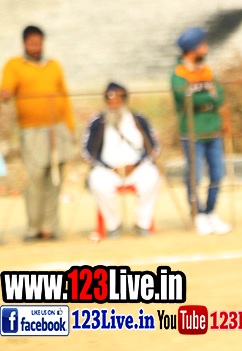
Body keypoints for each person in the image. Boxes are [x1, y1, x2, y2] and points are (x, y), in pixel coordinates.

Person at [1, 25, 75, 241]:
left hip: (57, 128)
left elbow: (64, 97)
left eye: (38, 43)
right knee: (35, 179)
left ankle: (50, 227)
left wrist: (70, 127)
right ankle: (33, 228)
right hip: (31, 130)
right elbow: (6, 89)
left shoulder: (54, 66)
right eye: (31, 43)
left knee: (55, 179)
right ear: (24, 43)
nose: (35, 47)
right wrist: (5, 93)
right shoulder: (15, 65)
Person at [171, 27, 230, 235]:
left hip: (213, 131)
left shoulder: (207, 71)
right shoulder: (179, 74)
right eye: (203, 45)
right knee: (195, 176)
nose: (206, 49)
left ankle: (211, 212)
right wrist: (208, 97)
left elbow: (220, 95)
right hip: (192, 133)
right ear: (192, 49)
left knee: (217, 174)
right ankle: (198, 214)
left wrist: (205, 98)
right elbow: (185, 99)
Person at [82, 82, 160, 237]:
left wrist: (136, 165)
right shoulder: (97, 122)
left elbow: (154, 147)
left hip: (136, 169)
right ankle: (113, 225)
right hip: (108, 171)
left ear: (124, 100)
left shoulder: (138, 120)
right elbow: (87, 152)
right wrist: (109, 168)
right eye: (110, 100)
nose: (114, 104)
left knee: (153, 176)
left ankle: (142, 224)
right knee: (96, 180)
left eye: (118, 99)